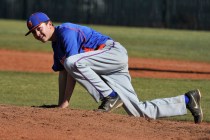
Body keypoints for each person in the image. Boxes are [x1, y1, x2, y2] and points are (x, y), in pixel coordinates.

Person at [25, 12, 203, 124]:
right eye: (34, 32)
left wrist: (65, 104)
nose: (38, 34)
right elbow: (63, 74)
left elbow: (72, 68)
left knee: (73, 62)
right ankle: (188, 101)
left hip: (111, 53)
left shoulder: (66, 32)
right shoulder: (56, 46)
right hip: (107, 67)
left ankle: (110, 96)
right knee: (139, 113)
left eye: (39, 28)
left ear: (50, 24)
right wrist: (61, 104)